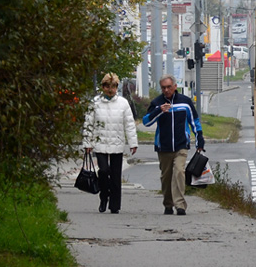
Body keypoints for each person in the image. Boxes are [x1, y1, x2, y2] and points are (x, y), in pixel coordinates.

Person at [143, 75, 205, 216]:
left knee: (179, 172)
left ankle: (180, 205)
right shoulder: (157, 103)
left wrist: (199, 137)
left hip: (181, 145)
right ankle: (168, 204)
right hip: (163, 146)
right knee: (166, 177)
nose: (166, 90)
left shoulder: (184, 102)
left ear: (175, 87)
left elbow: (194, 120)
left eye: (169, 87)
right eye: (163, 88)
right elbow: (146, 122)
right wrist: (159, 110)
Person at [83, 73, 139, 214]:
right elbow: (88, 124)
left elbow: (129, 124)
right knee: (103, 171)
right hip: (100, 143)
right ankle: (104, 196)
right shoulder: (95, 102)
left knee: (115, 176)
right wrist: (87, 143)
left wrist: (133, 143)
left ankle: (115, 205)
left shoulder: (123, 103)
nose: (110, 89)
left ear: (116, 88)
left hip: (117, 143)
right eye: (107, 86)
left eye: (113, 87)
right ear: (102, 87)